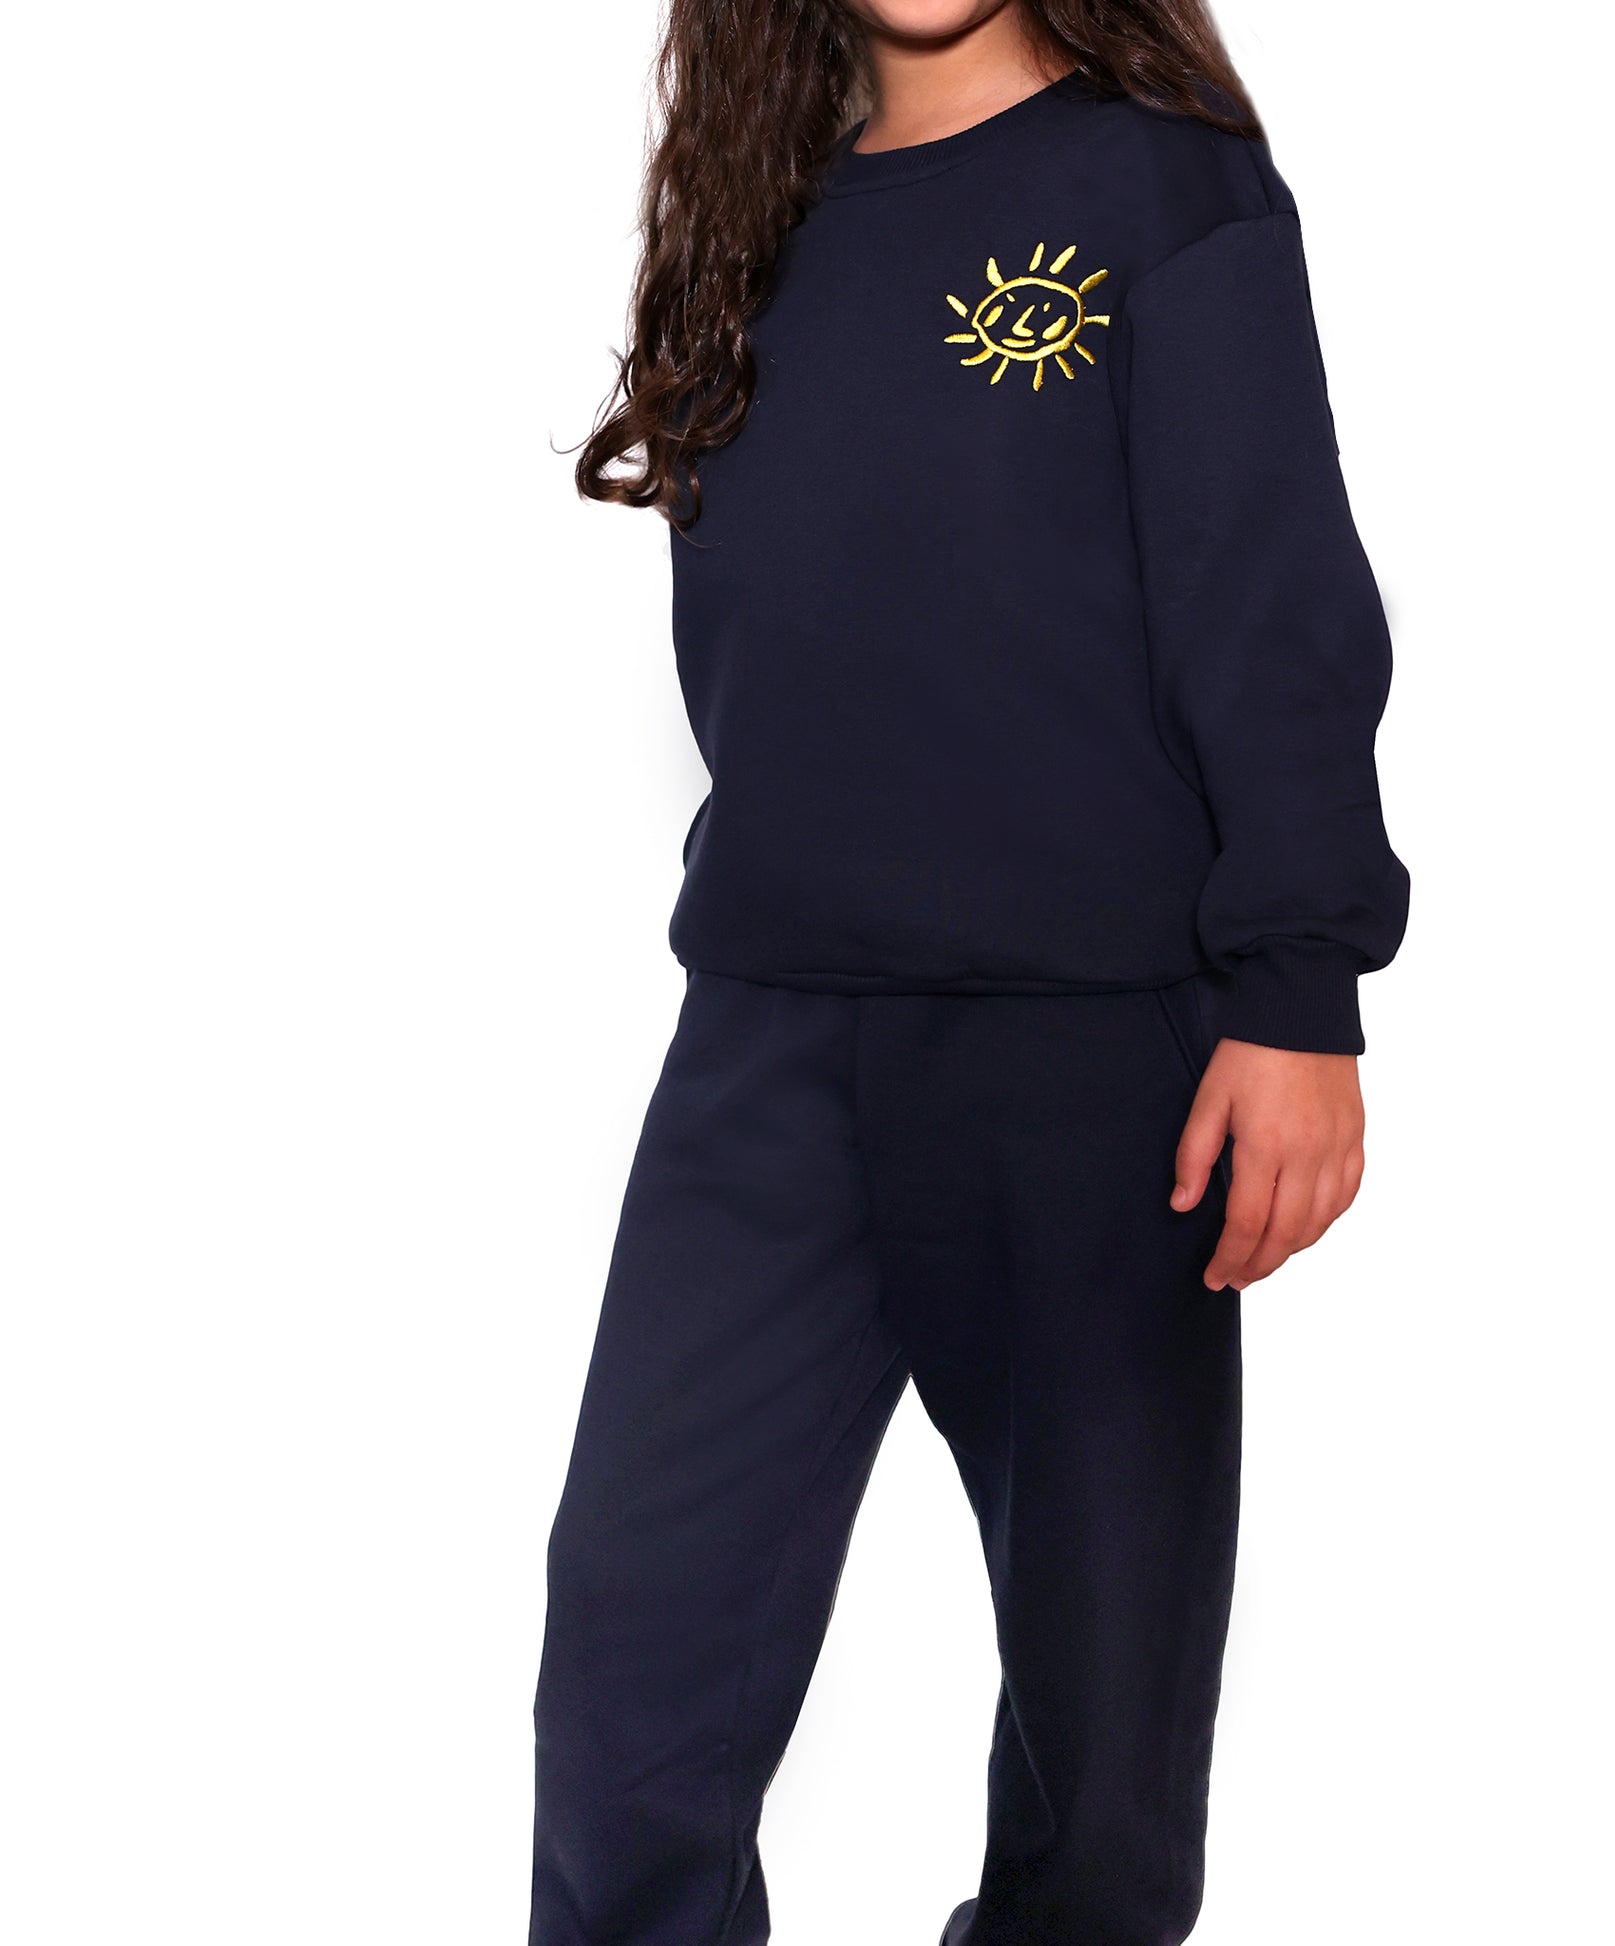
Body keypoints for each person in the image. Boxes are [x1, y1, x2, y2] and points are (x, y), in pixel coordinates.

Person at [529, 2, 1408, 1941]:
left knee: (1104, 1750)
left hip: (1092, 1063)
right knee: (631, 1681)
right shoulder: (753, 217)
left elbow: (1269, 597)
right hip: (766, 1051)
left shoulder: (1162, 193)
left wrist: (1297, 988)